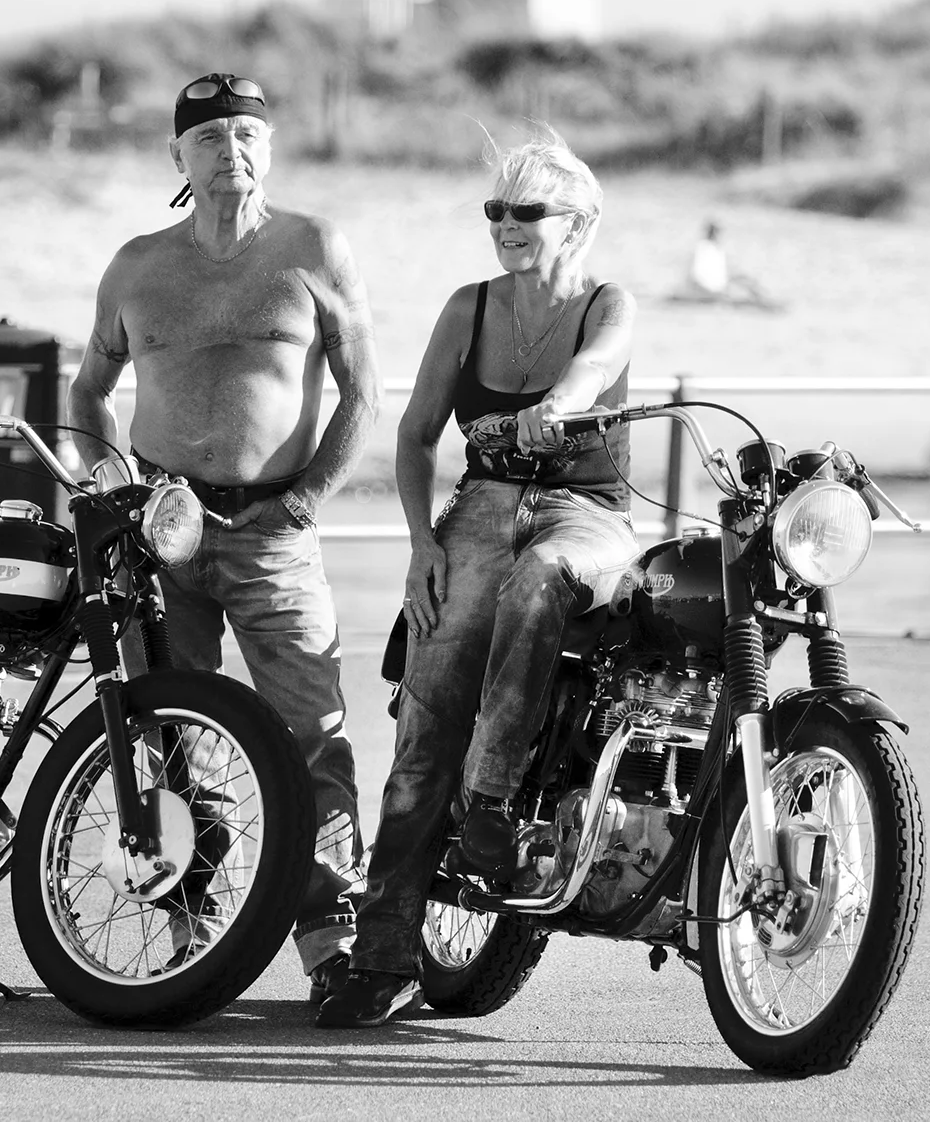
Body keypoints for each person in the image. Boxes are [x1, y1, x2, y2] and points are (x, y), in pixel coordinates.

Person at [66, 72, 382, 1002]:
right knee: (167, 737)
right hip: (161, 532)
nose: (230, 149)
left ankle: (333, 948)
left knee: (313, 737)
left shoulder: (314, 247)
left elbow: (365, 392)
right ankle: (191, 929)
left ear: (270, 148)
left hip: (274, 529)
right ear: (177, 156)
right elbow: (87, 388)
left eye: (248, 132)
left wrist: (310, 495)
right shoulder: (136, 266)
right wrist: (111, 477)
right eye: (208, 137)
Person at [317, 129, 638, 1029]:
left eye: (525, 211)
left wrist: (557, 410)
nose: (504, 225)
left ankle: (492, 800)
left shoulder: (607, 301)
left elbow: (595, 368)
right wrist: (424, 545)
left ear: (577, 223)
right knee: (423, 731)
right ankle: (379, 960)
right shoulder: (469, 307)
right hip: (481, 508)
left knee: (546, 577)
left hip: (588, 514)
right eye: (494, 210)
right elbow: (416, 435)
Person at [686, 220, 776, 308]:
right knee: (745, 281)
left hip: (705, 287)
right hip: (710, 288)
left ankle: (763, 299)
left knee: (743, 280)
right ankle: (765, 300)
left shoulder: (702, 247)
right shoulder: (711, 248)